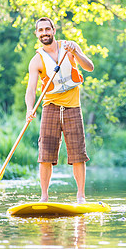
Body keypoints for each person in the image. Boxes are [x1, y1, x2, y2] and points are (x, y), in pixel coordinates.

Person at [25, 17, 94, 203]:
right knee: (45, 155)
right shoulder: (36, 60)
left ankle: (81, 196)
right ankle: (44, 197)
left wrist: (76, 53)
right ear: (37, 34)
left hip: (73, 107)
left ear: (54, 30)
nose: (44, 33)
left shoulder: (69, 47)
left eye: (48, 29)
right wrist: (29, 109)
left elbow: (90, 67)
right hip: (50, 107)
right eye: (41, 30)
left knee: (78, 154)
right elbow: (31, 89)